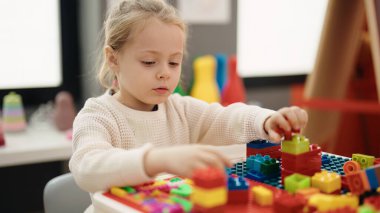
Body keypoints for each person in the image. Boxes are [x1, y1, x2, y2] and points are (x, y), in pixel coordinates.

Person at [69, 0, 308, 196]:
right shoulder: (97, 116)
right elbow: (87, 166)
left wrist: (267, 120)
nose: (165, 72)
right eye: (149, 62)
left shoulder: (180, 109)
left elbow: (225, 118)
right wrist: (157, 160)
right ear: (113, 59)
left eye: (174, 62)